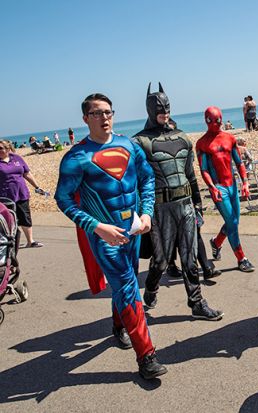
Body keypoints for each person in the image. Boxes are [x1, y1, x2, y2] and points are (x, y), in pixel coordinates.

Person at [55, 93, 166, 380]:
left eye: (108, 112)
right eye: (96, 113)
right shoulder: (76, 157)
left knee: (125, 282)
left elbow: (147, 179)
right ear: (85, 119)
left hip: (133, 230)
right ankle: (147, 355)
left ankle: (119, 325)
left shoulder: (128, 144)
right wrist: (96, 227)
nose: (104, 117)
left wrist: (146, 213)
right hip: (105, 236)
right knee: (129, 287)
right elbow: (64, 199)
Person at [133, 83, 222, 320]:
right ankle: (150, 290)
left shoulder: (182, 138)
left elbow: (190, 175)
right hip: (159, 209)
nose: (164, 110)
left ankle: (196, 302)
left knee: (189, 257)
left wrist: (199, 206)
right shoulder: (139, 143)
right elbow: (135, 182)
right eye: (158, 107)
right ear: (150, 109)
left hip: (185, 206)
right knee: (161, 261)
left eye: (167, 106)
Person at [196, 106, 255, 272]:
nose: (215, 124)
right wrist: (212, 187)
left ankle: (216, 242)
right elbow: (204, 169)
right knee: (233, 223)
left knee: (234, 222)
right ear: (207, 121)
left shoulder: (229, 138)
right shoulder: (202, 143)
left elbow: (239, 162)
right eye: (212, 121)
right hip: (219, 188)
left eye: (218, 120)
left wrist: (245, 182)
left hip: (232, 185)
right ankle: (241, 258)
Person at [0, 140, 47, 248]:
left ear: (7, 149)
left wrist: (37, 187)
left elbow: (27, 174)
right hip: (4, 196)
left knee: (25, 217)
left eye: (0, 148)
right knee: (7, 220)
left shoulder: (17, 158)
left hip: (21, 193)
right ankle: (8, 243)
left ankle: (30, 241)